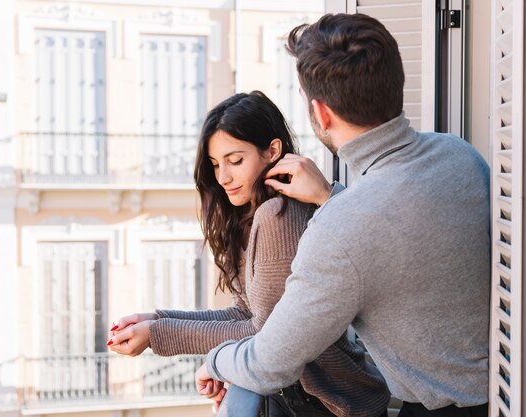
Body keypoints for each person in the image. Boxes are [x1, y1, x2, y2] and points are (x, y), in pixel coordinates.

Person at [195, 13, 491, 417]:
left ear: (321, 113)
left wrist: (215, 359)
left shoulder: (339, 229)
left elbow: (270, 362)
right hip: (502, 394)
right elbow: (399, 236)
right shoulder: (459, 156)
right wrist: (331, 197)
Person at [107, 90, 390, 417]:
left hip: (331, 405)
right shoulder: (251, 216)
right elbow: (245, 312)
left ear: (271, 151)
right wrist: (157, 318)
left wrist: (157, 335)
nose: (223, 177)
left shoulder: (278, 214)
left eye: (235, 160)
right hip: (303, 399)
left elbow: (265, 334)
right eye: (215, 165)